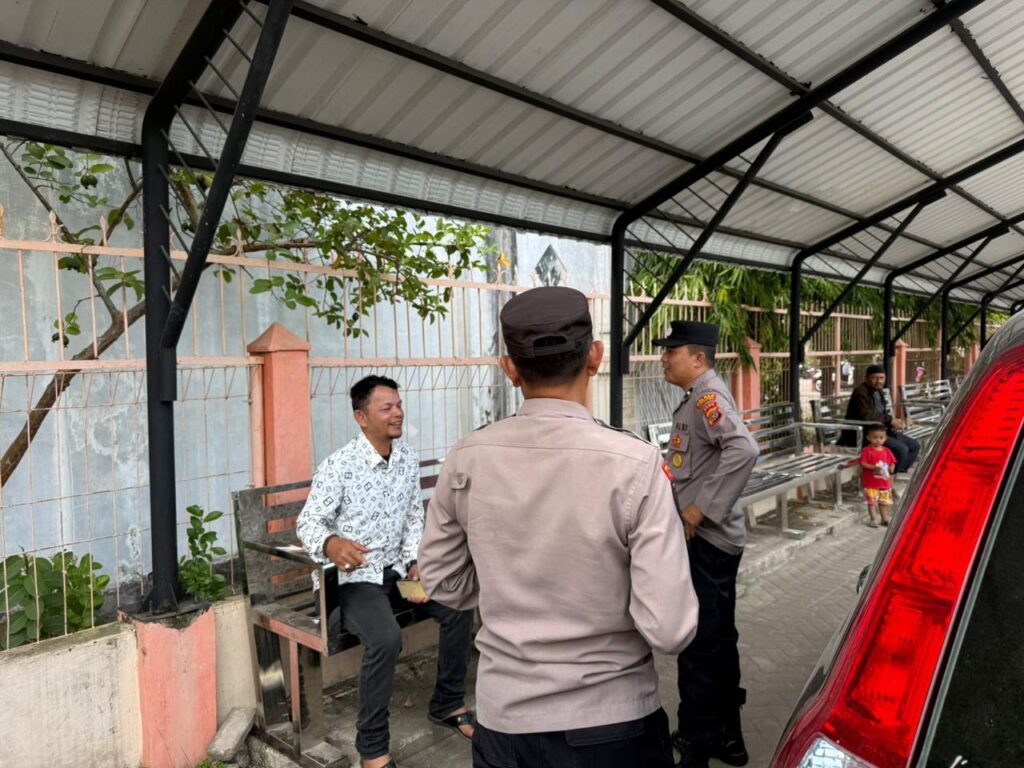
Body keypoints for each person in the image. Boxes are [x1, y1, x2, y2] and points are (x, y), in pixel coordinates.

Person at [418, 286, 698, 768]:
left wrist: (507, 585)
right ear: (595, 357)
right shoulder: (635, 463)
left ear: (509, 369)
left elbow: (442, 580)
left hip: (505, 724)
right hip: (614, 721)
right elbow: (670, 629)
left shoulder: (467, 457)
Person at [296, 375, 475, 768]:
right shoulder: (340, 465)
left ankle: (447, 702)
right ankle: (372, 749)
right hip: (354, 580)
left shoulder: (406, 457)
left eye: (398, 405)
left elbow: (412, 516)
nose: (398, 413)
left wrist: (414, 562)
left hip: (397, 573)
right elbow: (308, 522)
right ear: (362, 417)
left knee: (459, 605)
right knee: (386, 638)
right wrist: (331, 543)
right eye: (387, 408)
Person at [654, 320, 760, 768]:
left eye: (671, 351)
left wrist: (699, 510)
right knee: (717, 641)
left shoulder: (707, 397)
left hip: (708, 541)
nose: (663, 358)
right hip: (710, 541)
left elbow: (744, 450)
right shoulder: (697, 395)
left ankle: (696, 745)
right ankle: (727, 739)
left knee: (699, 644)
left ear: (698, 358)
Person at [836, 364, 920, 473]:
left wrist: (891, 425)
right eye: (874, 378)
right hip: (864, 435)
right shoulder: (860, 392)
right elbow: (866, 415)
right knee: (901, 449)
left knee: (914, 445)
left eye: (881, 378)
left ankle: (895, 472)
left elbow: (881, 414)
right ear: (867, 378)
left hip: (880, 431)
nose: (878, 381)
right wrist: (890, 420)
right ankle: (888, 477)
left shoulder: (878, 391)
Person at [860, 423, 896, 528]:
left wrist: (891, 468)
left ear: (885, 438)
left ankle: (885, 519)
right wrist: (874, 467)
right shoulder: (866, 450)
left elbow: (892, 462)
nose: (878, 440)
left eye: (881, 438)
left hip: (884, 483)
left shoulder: (887, 451)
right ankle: (873, 520)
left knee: (884, 502)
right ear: (868, 438)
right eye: (875, 437)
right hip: (871, 483)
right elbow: (863, 463)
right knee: (872, 502)